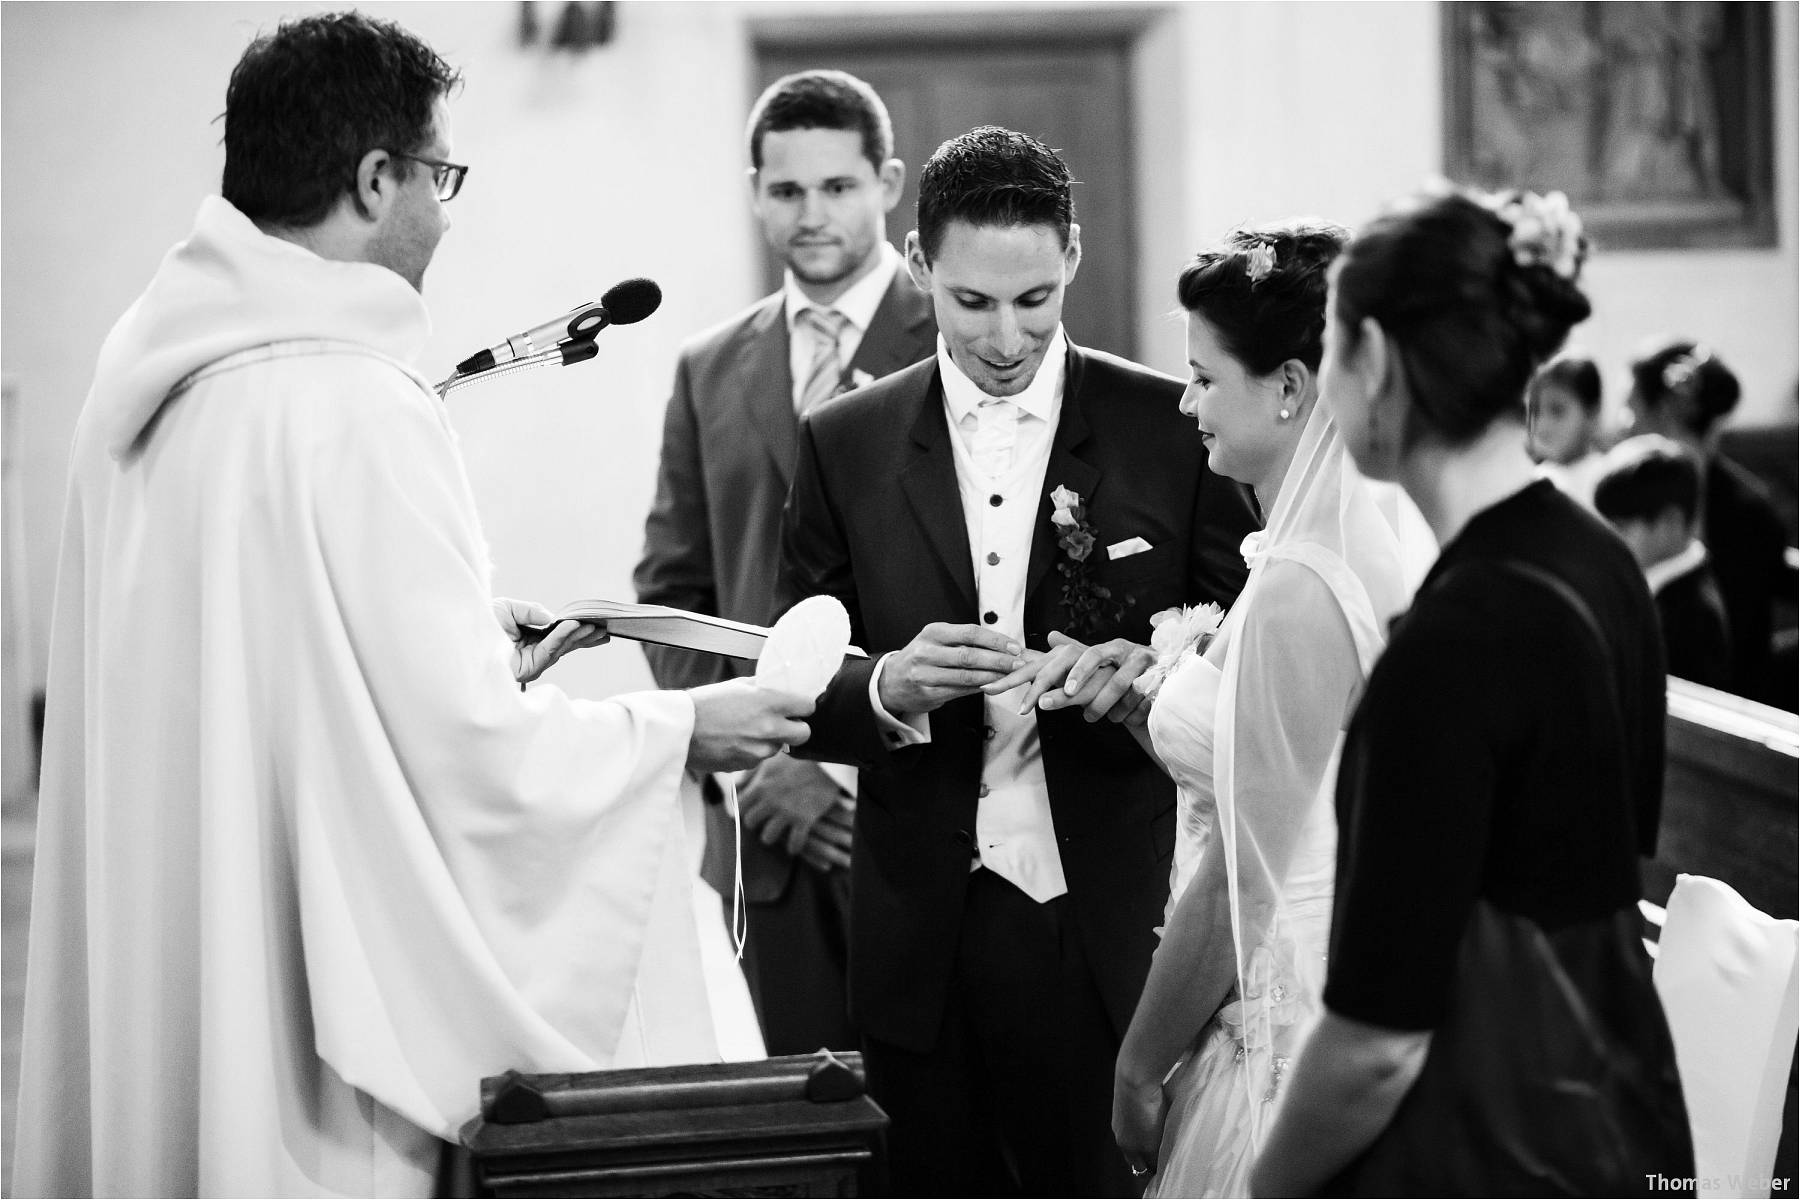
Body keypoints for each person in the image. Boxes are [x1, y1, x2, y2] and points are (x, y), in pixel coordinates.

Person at [11, 14, 812, 1197]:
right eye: (439, 175)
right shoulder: (358, 399)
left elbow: (275, 678)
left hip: (171, 972)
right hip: (310, 1057)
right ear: (374, 178)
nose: (445, 211)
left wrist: (462, 651)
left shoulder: (135, 392)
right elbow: (465, 757)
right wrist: (686, 730)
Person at [778, 125, 1259, 1197]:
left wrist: (1154, 668)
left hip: (1109, 918)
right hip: (919, 934)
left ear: (1074, 258)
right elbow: (793, 674)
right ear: (918, 268)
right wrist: (887, 688)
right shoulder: (843, 441)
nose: (1006, 336)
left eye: (1035, 300)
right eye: (972, 302)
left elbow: (1246, 625)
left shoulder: (1172, 427)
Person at [1250, 186, 1691, 1196]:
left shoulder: (1450, 646)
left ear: (1377, 363)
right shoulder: (1601, 558)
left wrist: (1264, 1187)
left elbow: (1376, 1045)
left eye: (1328, 345)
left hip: (1487, 1135)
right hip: (1610, 1088)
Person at [1087, 223, 1412, 1195]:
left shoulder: (1304, 585)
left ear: (1289, 387)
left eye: (1203, 377)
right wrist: (1146, 702)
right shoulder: (1305, 555)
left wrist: (1139, 1064)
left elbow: (1245, 874)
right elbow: (1279, 773)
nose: (1185, 401)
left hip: (1283, 1022)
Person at [633, 68, 935, 1058]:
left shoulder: (964, 337)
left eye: (839, 186)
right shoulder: (708, 364)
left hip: (918, 809)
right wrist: (757, 758)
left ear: (888, 183)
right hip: (758, 825)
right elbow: (672, 590)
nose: (813, 214)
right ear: (755, 190)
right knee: (794, 1120)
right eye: (787, 188)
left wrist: (840, 775)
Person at [1627, 338, 1789, 706]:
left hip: (1726, 705)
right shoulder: (1630, 497)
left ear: (1665, 411)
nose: (1625, 423)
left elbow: (1733, 653)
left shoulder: (1747, 515)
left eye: (1632, 406)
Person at [1595, 435, 1733, 689]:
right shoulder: (1649, 580)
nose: (1608, 540)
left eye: (1621, 527)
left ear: (1671, 522)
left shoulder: (1693, 615)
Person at [1528, 352, 1606, 505]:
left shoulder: (1605, 483)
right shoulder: (1532, 482)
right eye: (1535, 411)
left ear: (1592, 413)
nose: (1542, 425)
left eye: (1557, 411)